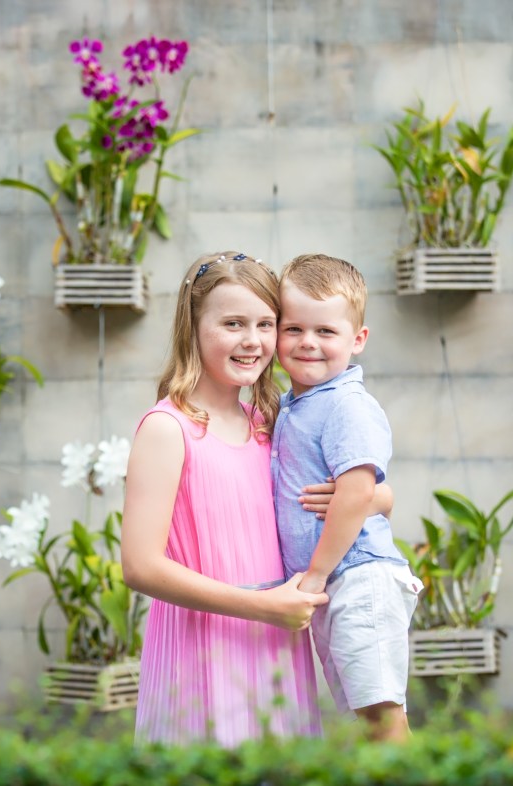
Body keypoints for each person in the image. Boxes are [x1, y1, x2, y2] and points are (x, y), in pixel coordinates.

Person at [120, 251, 390, 747]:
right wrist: (262, 606)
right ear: (193, 328)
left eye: (267, 323)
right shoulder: (167, 429)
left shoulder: (269, 423)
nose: (252, 340)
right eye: (232, 323)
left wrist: (371, 496)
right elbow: (139, 566)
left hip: (274, 639)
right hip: (202, 644)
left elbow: (366, 494)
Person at [272, 252, 422, 742]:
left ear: (357, 340)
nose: (307, 343)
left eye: (326, 331)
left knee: (382, 717)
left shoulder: (346, 405)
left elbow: (359, 493)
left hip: (359, 578)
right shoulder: (295, 406)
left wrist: (313, 577)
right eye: (293, 329)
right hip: (336, 583)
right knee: (367, 721)